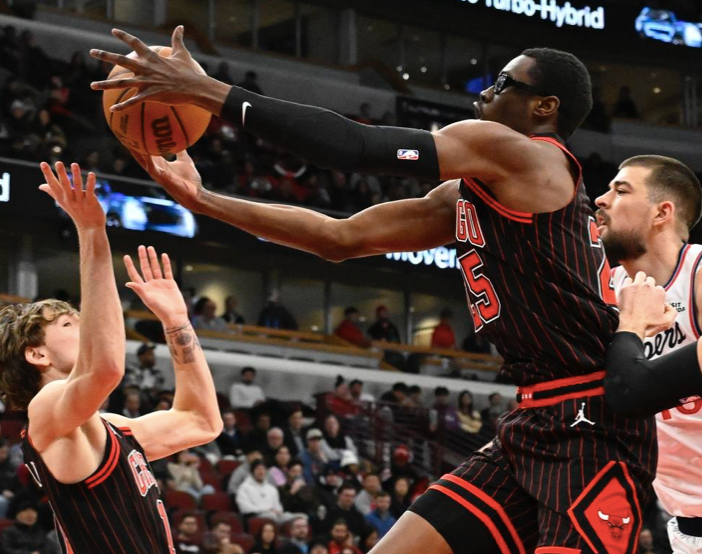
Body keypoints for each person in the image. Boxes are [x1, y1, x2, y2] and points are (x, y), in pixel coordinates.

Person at [93, 32, 647, 554]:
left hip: (592, 423)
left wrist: (208, 92)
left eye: (503, 83)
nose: (485, 92)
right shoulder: (471, 190)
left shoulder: (527, 155)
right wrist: (204, 201)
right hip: (534, 416)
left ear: (544, 107)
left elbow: (354, 145)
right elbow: (340, 239)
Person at [0, 162, 222, 554]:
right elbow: (105, 368)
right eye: (69, 324)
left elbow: (201, 421)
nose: (86, 326)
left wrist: (176, 321)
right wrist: (92, 232)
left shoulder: (111, 428)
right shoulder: (45, 410)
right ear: (36, 354)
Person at [595, 155, 702, 552]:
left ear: (662, 212)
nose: (601, 199)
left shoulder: (697, 275)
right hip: (685, 522)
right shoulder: (605, 291)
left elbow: (630, 392)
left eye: (621, 190)